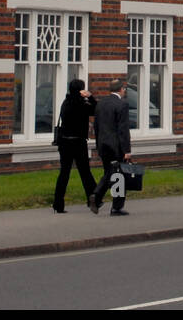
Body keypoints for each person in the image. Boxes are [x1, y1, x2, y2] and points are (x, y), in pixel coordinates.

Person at [53, 79, 97, 213]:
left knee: (64, 173)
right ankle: (94, 198)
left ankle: (58, 203)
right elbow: (95, 110)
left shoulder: (66, 102)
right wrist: (90, 96)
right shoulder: (82, 104)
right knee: (85, 172)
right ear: (80, 90)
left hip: (64, 142)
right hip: (78, 142)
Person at [90, 78, 132, 216]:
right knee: (118, 176)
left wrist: (98, 143)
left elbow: (96, 126)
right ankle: (113, 205)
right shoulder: (122, 105)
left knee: (110, 172)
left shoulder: (101, 104)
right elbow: (123, 129)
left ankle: (97, 198)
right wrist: (127, 150)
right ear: (121, 89)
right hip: (116, 146)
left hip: (103, 145)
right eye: (124, 89)